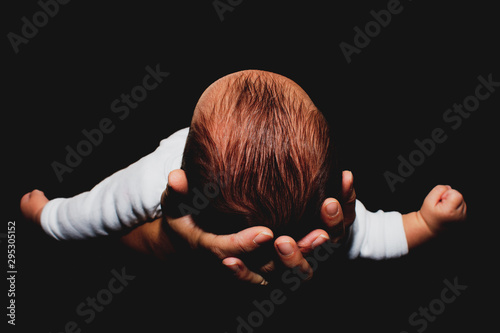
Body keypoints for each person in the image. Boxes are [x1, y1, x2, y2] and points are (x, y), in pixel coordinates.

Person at [20, 70, 467, 285]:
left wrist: (46, 216)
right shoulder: (324, 215)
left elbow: (93, 211)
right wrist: (426, 223)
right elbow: (381, 235)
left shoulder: (160, 175)